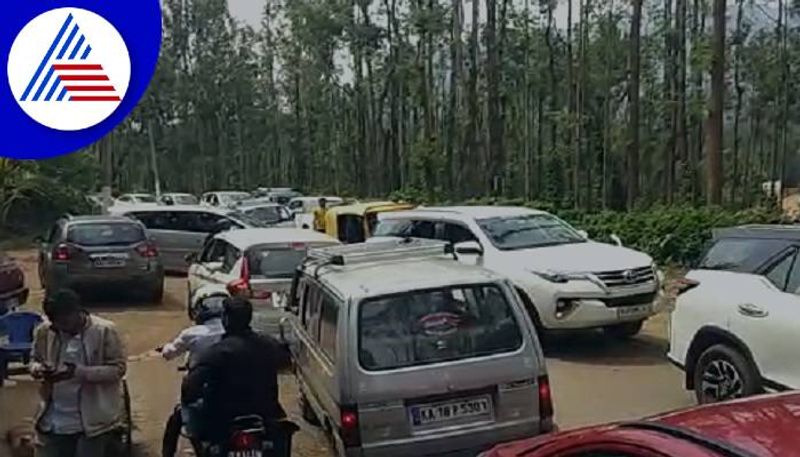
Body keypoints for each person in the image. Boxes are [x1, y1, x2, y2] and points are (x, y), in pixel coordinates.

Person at [181, 296, 290, 448]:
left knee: (181, 414)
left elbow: (191, 386)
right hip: (265, 414)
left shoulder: (216, 352)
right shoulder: (269, 345)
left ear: (225, 319)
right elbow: (286, 363)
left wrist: (188, 397)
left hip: (222, 418)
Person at [30, 289, 127, 457]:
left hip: (92, 423)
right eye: (56, 322)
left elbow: (117, 369)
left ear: (78, 312)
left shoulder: (104, 331)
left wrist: (78, 372)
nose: (61, 326)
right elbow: (34, 360)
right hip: (52, 420)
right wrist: (39, 369)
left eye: (65, 321)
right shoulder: (45, 331)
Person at [159, 293, 226, 457]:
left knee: (178, 418)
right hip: (234, 387)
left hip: (201, 387)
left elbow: (169, 354)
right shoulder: (237, 333)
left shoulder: (193, 333)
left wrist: (165, 348)